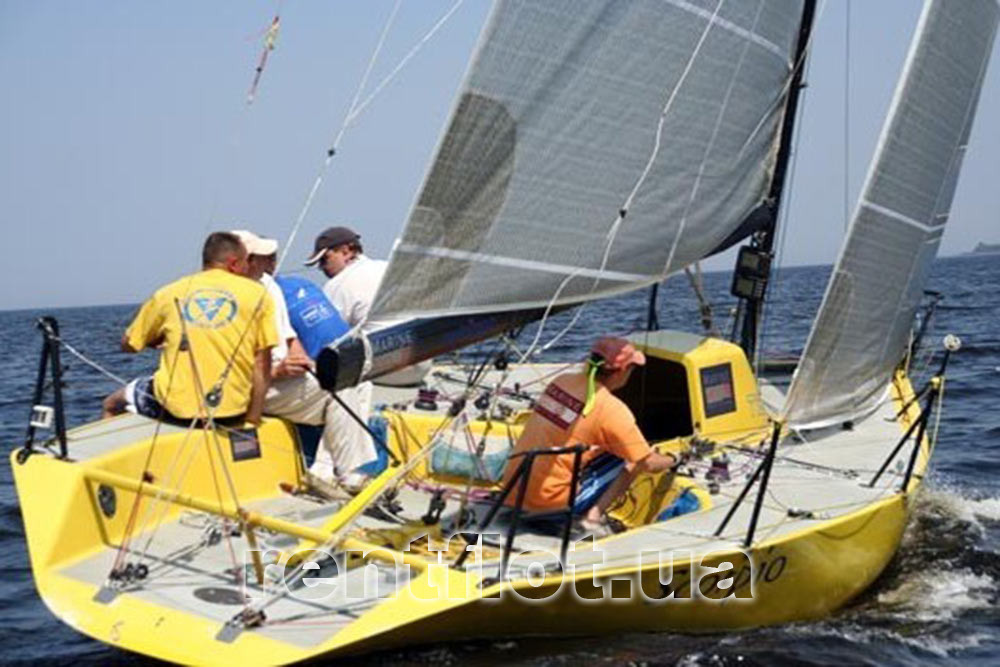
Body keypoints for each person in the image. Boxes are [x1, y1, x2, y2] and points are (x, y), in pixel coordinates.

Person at [234, 229, 377, 486]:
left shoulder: (269, 287)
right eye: (262, 257)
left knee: (358, 381)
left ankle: (326, 471)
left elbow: (290, 337)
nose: (270, 262)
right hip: (256, 386)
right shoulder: (232, 299)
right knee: (344, 386)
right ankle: (346, 474)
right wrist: (278, 371)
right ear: (239, 263)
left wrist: (302, 360)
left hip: (280, 380)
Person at [501, 337, 677, 533]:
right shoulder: (611, 409)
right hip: (551, 506)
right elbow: (648, 463)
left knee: (611, 451)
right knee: (633, 461)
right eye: (632, 368)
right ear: (622, 371)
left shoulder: (561, 381)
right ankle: (593, 518)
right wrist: (673, 459)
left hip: (512, 492)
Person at [101, 232, 278, 425]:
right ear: (234, 263)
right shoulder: (259, 294)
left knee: (111, 404)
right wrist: (252, 418)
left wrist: (153, 340)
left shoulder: (167, 293)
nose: (246, 267)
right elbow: (262, 364)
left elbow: (128, 345)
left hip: (173, 410)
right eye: (245, 262)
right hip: (233, 412)